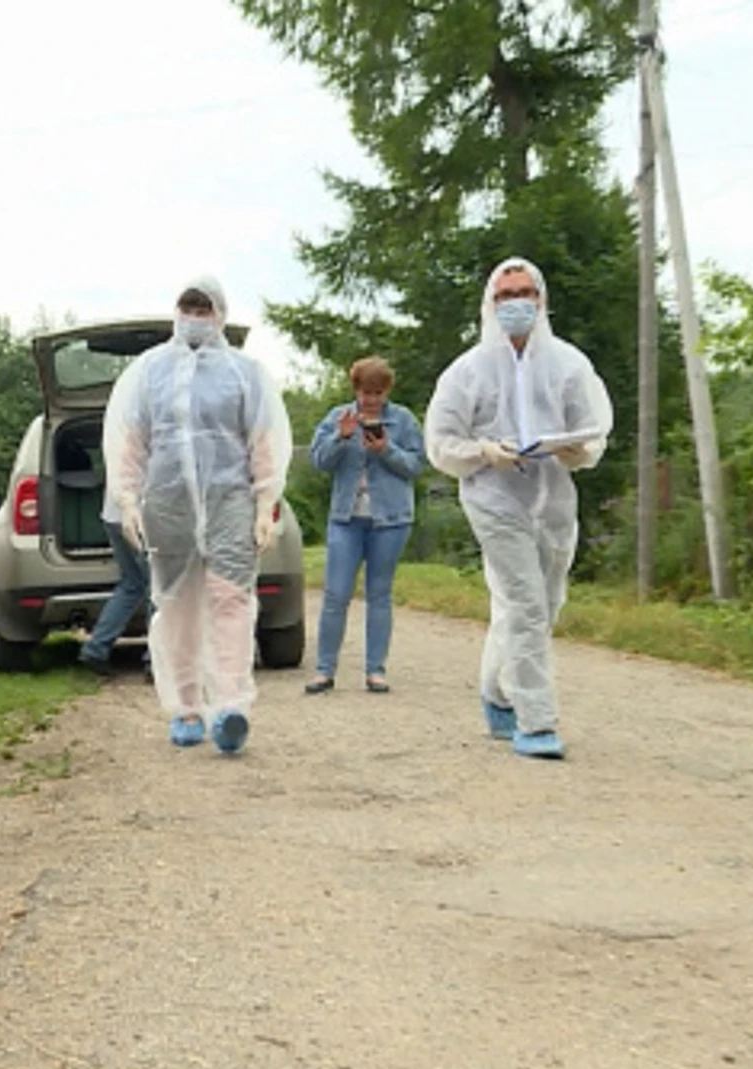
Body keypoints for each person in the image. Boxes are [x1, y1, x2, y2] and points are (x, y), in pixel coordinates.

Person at [423, 257, 613, 761]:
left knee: (541, 605)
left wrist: (580, 450)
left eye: (525, 292)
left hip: (553, 500)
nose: (516, 303)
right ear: (490, 302)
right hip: (494, 498)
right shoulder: (467, 371)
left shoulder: (569, 365)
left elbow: (592, 425)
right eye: (505, 295)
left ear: (541, 300)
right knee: (525, 603)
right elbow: (441, 440)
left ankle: (496, 691)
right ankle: (537, 720)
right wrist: (482, 451)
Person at [102, 277, 292, 754]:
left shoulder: (245, 373)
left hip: (229, 499)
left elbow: (262, 441)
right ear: (176, 310)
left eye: (203, 307)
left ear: (220, 313)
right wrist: (127, 498)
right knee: (178, 606)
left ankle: (231, 706)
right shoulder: (149, 372)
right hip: (168, 503)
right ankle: (185, 705)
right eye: (188, 306)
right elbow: (132, 440)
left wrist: (265, 504)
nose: (194, 314)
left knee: (232, 599)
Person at [305, 356, 426, 695]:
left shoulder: (402, 421)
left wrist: (386, 450)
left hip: (390, 520)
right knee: (336, 593)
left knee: (379, 594)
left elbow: (416, 465)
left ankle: (375, 670)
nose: (371, 399)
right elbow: (318, 461)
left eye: (377, 392)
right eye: (365, 392)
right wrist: (341, 438)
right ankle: (324, 670)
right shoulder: (337, 417)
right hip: (346, 518)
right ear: (355, 389)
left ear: (386, 391)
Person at [77, 488, 154, 679]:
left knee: (132, 583)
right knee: (158, 587)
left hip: (112, 514)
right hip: (141, 515)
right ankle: (155, 659)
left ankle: (96, 648)